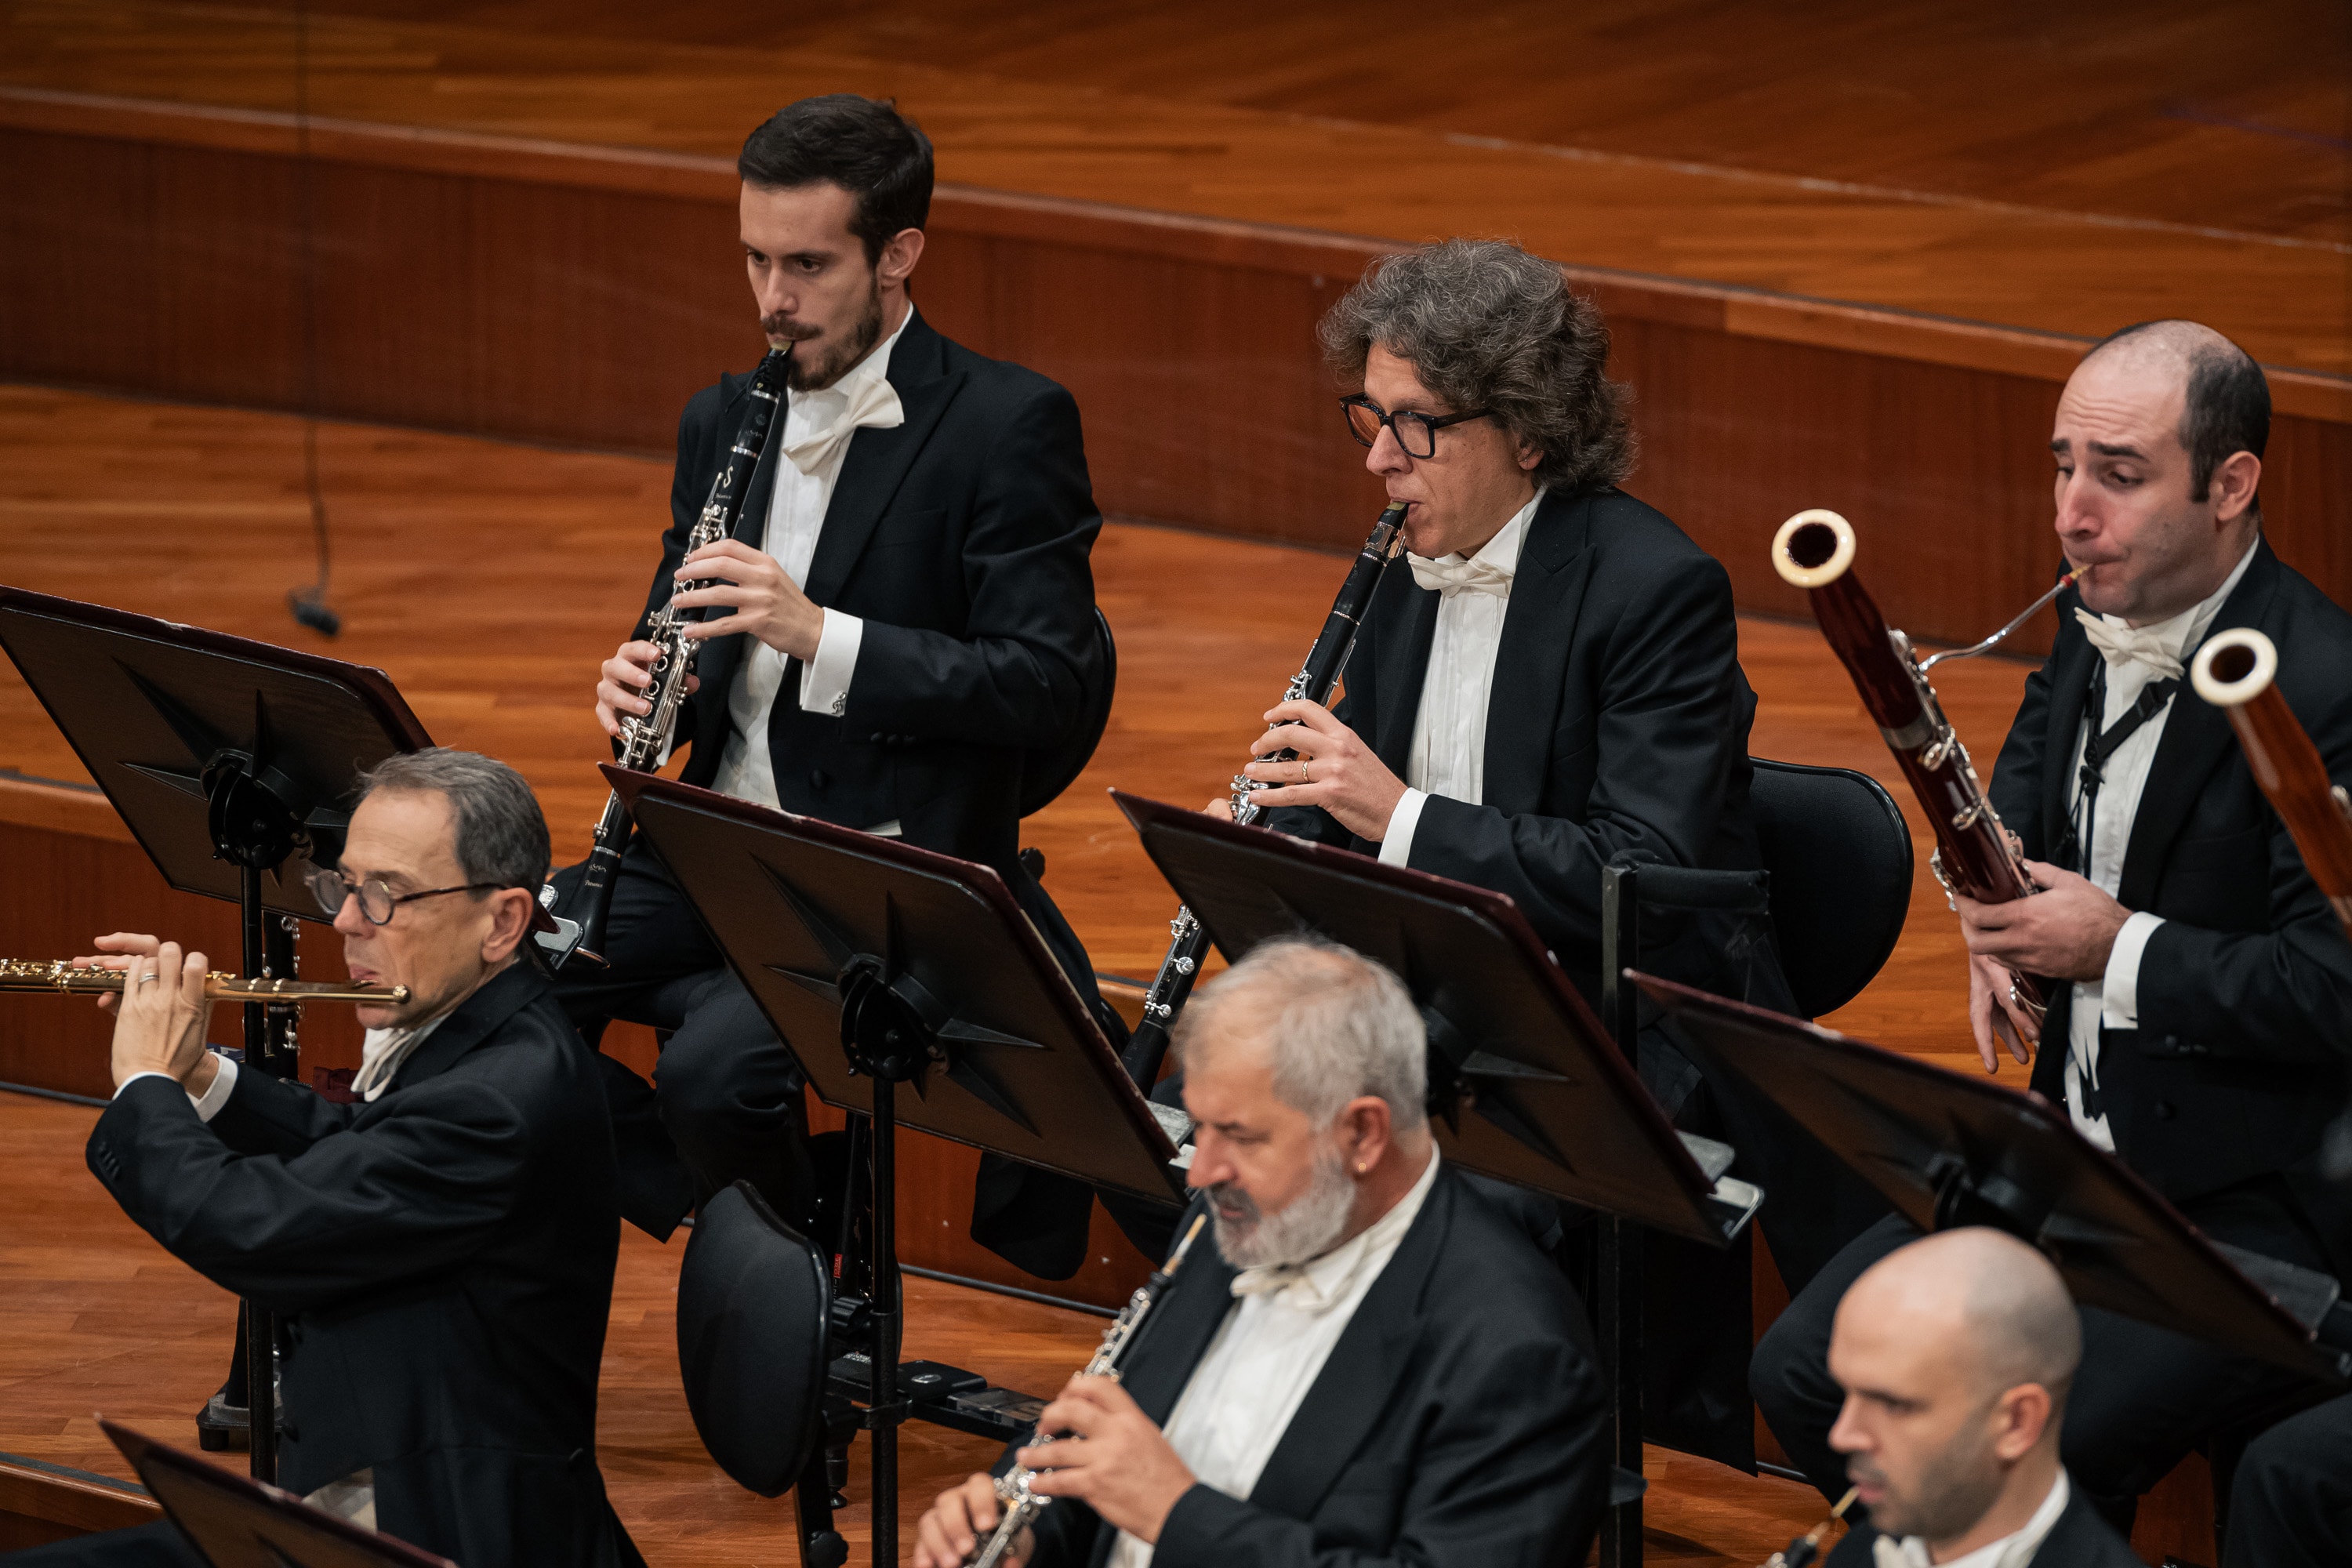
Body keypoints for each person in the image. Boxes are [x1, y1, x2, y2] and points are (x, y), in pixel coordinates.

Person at [1224, 238, 1860, 1465]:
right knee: (1214, 1139)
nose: (1376, 458)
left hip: (1610, 1031)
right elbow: (1359, 802)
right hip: (1448, 1000)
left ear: (1526, 431)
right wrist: (1279, 831)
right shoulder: (1410, 561)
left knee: (1450, 1208)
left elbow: (1643, 872)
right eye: (1368, 414)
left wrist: (1394, 814)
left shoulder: (1655, 589)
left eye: (1416, 426)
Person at [1752, 320, 2352, 1532]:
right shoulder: (2098, 618)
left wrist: (2112, 949)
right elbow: (2029, 783)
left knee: (2015, 1448)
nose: (2073, 511)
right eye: (2062, 465)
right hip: (2066, 1153)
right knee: (1801, 1372)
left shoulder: (2329, 690)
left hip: (2246, 1210)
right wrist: (1993, 902)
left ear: (2232, 486)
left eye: (2119, 476)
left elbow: (2330, 988)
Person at [545, 93, 1117, 1275]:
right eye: (754, 258)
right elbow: (687, 626)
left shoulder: (1006, 425)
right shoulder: (725, 413)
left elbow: (1046, 684)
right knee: (491, 982)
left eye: (807, 264)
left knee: (714, 1073)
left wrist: (823, 635)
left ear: (898, 255)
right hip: (711, 843)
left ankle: (791, 1284)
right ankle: (797, 1234)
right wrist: (647, 680)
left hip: (881, 871)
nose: (771, 298)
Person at [16, 750, 640, 1568]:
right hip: (381, 1470)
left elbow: (256, 1227)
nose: (346, 919)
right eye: (344, 885)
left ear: (502, 920)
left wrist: (145, 1083)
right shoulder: (484, 1028)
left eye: (385, 894)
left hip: (436, 1524)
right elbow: (359, 1151)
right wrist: (201, 1073)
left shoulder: (497, 1097)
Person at [910, 937, 1609, 1568]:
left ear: (1363, 1135)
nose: (1200, 1171)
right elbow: (1095, 1455)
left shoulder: (1518, 1356)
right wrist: (1026, 1538)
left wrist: (1176, 1513)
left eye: (1239, 1135)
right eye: (1200, 1125)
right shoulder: (1234, 1227)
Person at [1818, 1229, 2138, 1566]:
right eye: (1846, 1391)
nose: (1841, 1435)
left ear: (2017, 1423)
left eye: (1893, 1404)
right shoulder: (1855, 1556)